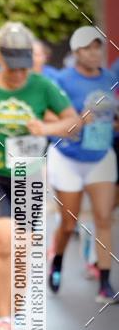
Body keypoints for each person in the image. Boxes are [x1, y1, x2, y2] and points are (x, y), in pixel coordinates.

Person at [0, 22, 80, 330]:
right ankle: (3, 321)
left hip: (27, 176)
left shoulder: (42, 86)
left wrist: (46, 126)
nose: (19, 74)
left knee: (23, 250)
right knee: (5, 244)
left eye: (24, 66)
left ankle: (15, 315)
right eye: (12, 66)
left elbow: (72, 123)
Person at [48, 27, 118, 302]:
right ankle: (57, 261)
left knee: (103, 218)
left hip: (101, 155)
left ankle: (105, 282)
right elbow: (53, 121)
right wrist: (78, 121)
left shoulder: (110, 78)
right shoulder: (63, 81)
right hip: (68, 157)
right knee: (69, 223)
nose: (94, 53)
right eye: (88, 48)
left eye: (97, 47)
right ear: (76, 52)